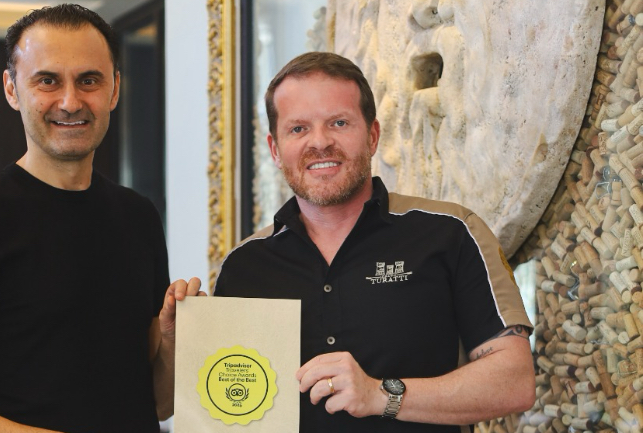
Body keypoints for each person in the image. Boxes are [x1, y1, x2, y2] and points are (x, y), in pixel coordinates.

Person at [0, 4, 201, 433]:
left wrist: (174, 343)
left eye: (89, 80)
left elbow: (158, 404)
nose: (70, 101)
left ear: (114, 90)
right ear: (12, 90)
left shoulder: (138, 217)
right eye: (47, 81)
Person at [213, 52, 535, 432]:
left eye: (339, 123)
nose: (320, 142)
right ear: (274, 149)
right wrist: (177, 340)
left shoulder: (451, 232)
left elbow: (515, 381)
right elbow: (223, 404)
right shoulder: (243, 266)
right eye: (298, 129)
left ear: (372, 135)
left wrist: (380, 395)